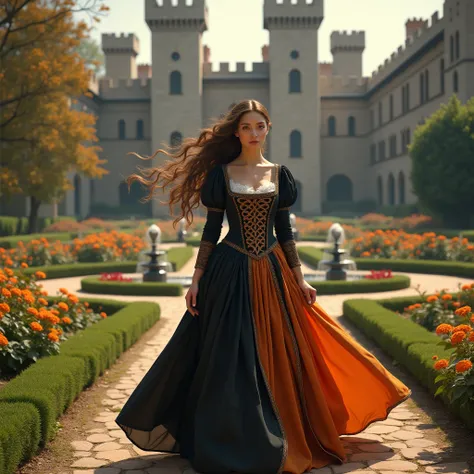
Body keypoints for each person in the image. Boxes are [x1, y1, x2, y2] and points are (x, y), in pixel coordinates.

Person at [115, 99, 411, 474]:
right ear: (236, 132)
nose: (254, 133)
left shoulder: (279, 175)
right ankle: (228, 436)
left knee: (284, 353)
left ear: (267, 129)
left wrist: (300, 279)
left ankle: (284, 428)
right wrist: (195, 279)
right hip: (230, 268)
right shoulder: (221, 175)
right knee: (227, 357)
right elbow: (210, 231)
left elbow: (284, 231)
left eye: (260, 126)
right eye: (246, 127)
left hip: (273, 270)